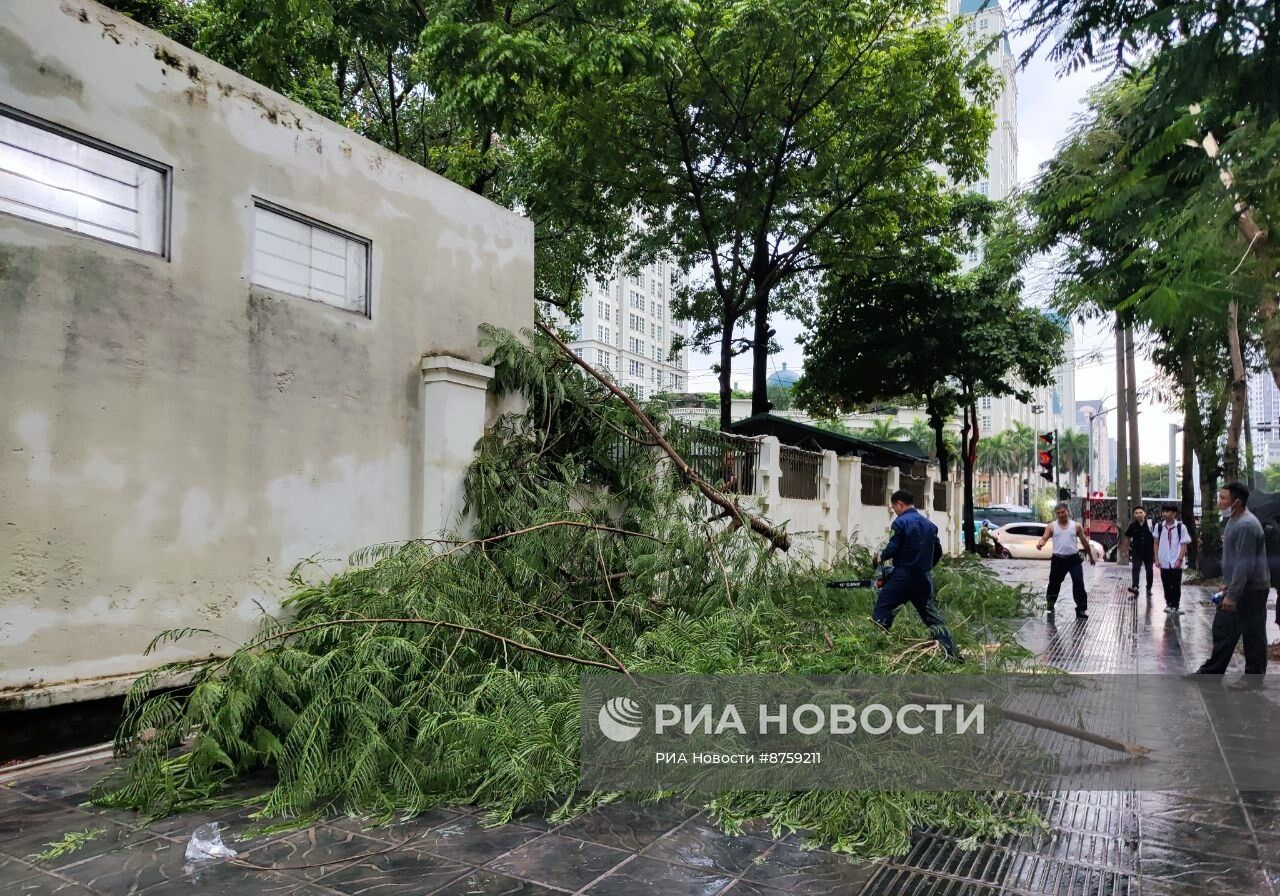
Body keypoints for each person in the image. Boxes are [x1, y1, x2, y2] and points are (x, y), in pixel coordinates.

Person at [872, 490, 960, 660]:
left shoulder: (900, 523)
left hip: (903, 577)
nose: (895, 511)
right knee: (932, 617)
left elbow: (893, 547)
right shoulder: (929, 525)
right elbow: (938, 551)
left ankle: (877, 648)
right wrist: (925, 567)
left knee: (883, 609)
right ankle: (950, 652)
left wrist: (879, 558)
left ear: (900, 504)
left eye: (894, 507)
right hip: (923, 579)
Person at [1195, 483, 1269, 682]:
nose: (1219, 502)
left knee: (1253, 634)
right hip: (1238, 586)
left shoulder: (1246, 524)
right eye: (1219, 497)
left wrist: (1233, 594)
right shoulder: (1232, 520)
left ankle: (1253, 679)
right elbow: (1235, 559)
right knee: (1224, 629)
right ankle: (1211, 672)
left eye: (1223, 498)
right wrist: (1228, 585)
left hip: (1252, 589)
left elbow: (1244, 563)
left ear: (1237, 501)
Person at [1035, 503, 1096, 620]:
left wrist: (1091, 557)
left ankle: (1081, 609)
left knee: (1079, 583)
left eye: (1063, 512)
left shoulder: (1076, 526)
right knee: (1054, 583)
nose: (1061, 515)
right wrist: (1040, 544)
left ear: (1068, 511)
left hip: (1074, 559)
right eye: (1058, 513)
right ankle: (1050, 604)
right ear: (1056, 514)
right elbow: (1044, 538)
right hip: (1058, 560)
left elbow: (1084, 542)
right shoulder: (1051, 526)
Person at [1155, 504, 1192, 614]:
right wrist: (1156, 559)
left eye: (1167, 511)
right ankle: (1169, 604)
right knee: (1165, 583)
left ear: (1174, 513)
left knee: (1176, 583)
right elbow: (1156, 543)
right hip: (1164, 560)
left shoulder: (1181, 527)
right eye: (1163, 511)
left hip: (1176, 559)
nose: (1165, 514)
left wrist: (1179, 559)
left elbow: (1184, 544)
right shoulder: (1159, 526)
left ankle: (1176, 605)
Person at [1124, 507, 1156, 598]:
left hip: (1149, 551)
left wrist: (1156, 553)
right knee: (1136, 568)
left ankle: (1149, 587)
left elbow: (1156, 538)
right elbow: (1127, 538)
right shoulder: (1132, 526)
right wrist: (1126, 551)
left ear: (1144, 513)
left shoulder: (1151, 524)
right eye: (1136, 513)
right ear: (1134, 515)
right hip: (1136, 551)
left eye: (1140, 512)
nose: (1139, 514)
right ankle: (1135, 587)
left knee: (1149, 570)